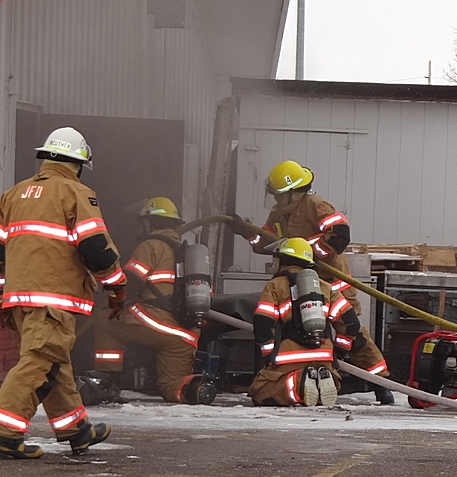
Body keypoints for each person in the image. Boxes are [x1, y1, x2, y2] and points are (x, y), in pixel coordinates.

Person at [0, 127, 125, 459]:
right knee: (39, 361)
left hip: (19, 297)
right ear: (77, 163)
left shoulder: (14, 194)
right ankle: (5, 431)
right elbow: (97, 250)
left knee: (53, 362)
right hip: (54, 298)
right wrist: (117, 286)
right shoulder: (76, 193)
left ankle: (76, 430)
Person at [231, 160, 396, 405]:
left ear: (292, 192)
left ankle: (380, 384)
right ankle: (300, 378)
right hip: (292, 285)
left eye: (279, 195)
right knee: (292, 331)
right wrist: (246, 231)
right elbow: (265, 242)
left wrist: (313, 254)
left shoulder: (314, 204)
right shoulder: (278, 213)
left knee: (353, 333)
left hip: (327, 282)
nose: (275, 200)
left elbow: (340, 233)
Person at [92, 196, 215, 404]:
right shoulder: (188, 253)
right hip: (186, 332)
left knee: (105, 321)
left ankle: (107, 383)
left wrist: (106, 302)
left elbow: (129, 284)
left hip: (158, 322)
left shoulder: (151, 245)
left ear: (149, 221)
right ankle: (196, 389)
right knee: (171, 385)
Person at [248, 237, 368, 406]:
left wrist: (269, 356)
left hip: (288, 356)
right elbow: (351, 324)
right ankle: (321, 379)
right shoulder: (326, 287)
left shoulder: (275, 286)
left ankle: (299, 383)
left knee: (261, 393)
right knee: (321, 390)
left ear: (283, 259)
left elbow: (263, 323)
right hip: (324, 356)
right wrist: (338, 352)